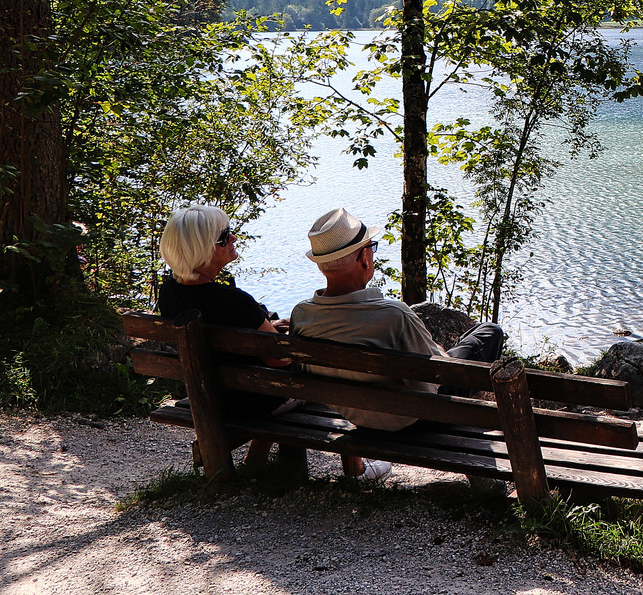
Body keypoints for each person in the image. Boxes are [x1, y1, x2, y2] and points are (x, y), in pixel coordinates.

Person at [289, 207, 505, 480]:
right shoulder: (394, 316)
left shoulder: (302, 314)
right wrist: (438, 351)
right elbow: (435, 380)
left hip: (355, 417)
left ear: (321, 265)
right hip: (411, 420)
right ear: (364, 258)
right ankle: (478, 456)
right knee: (487, 333)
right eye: (371, 248)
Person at [156, 205, 295, 466]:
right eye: (223, 237)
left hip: (207, 396)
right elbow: (280, 360)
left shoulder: (170, 294)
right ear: (201, 250)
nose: (233, 239)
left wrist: (266, 326)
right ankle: (355, 469)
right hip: (253, 401)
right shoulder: (235, 302)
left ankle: (256, 459)